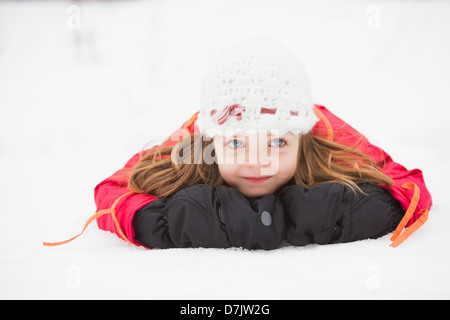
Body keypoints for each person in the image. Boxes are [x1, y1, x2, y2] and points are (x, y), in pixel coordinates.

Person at [44, 38, 432, 249]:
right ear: (212, 142)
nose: (258, 163)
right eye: (236, 144)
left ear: (301, 137)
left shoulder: (322, 130)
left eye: (277, 141)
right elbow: (111, 191)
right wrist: (171, 222)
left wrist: (336, 212)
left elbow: (409, 188)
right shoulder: (195, 138)